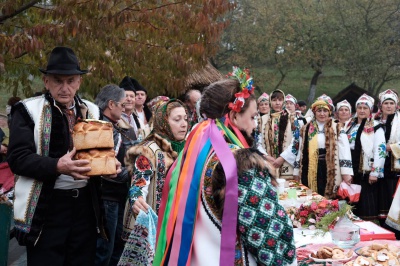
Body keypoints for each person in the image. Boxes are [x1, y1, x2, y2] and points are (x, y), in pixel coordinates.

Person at [154, 67, 296, 265]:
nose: (255, 125)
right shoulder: (239, 163)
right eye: (253, 117)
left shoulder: (195, 155)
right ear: (234, 116)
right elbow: (268, 236)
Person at [7, 46, 121, 265]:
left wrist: (109, 166)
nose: (65, 88)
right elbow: (18, 158)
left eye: (70, 81)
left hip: (85, 209)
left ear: (79, 82)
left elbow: (101, 153)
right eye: (58, 81)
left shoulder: (92, 111)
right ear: (46, 82)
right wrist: (57, 166)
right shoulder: (28, 110)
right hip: (47, 208)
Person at [120, 99, 188, 261]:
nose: (184, 124)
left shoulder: (187, 148)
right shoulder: (149, 150)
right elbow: (139, 183)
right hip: (153, 227)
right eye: (177, 120)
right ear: (163, 122)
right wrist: (137, 199)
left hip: (175, 224)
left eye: (185, 118)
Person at [94, 84, 135, 266]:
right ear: (111, 104)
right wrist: (134, 172)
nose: (125, 108)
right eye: (122, 104)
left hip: (115, 197)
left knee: (115, 248)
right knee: (105, 251)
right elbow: (105, 169)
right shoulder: (101, 128)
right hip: (107, 197)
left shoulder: (112, 127)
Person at [293, 96, 353, 198]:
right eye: (319, 111)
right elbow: (301, 151)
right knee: (311, 197)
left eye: (325, 111)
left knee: (330, 198)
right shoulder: (306, 128)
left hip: (331, 168)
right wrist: (296, 171)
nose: (322, 114)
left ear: (329, 112)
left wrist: (346, 173)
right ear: (314, 112)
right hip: (310, 168)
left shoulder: (337, 128)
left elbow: (345, 151)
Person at [346, 94, 386, 221]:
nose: (362, 110)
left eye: (365, 108)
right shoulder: (349, 125)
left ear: (370, 110)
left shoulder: (376, 126)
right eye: (359, 107)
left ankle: (368, 232)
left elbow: (380, 149)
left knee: (365, 204)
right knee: (351, 202)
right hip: (351, 167)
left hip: (366, 169)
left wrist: (375, 172)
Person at [259, 89, 300, 179]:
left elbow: (296, 141)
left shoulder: (292, 119)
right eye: (274, 100)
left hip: (286, 162)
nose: (277, 103)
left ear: (284, 101)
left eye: (280, 100)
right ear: (270, 102)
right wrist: (266, 156)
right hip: (267, 162)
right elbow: (257, 141)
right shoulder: (262, 120)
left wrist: (282, 158)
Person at [374, 89, 400, 227]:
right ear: (381, 105)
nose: (389, 106)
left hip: (395, 166)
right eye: (386, 103)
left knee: (393, 198)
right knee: (380, 198)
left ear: (396, 105)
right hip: (378, 165)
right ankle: (381, 226)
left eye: (391, 103)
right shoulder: (374, 121)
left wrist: (392, 147)